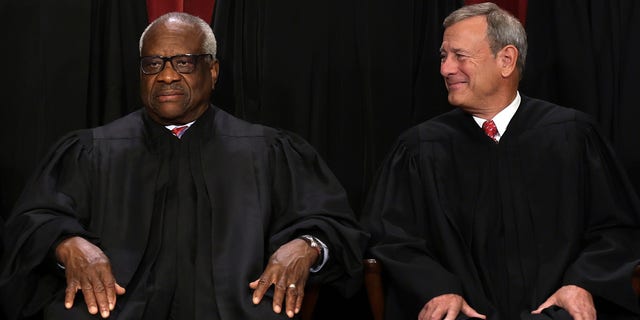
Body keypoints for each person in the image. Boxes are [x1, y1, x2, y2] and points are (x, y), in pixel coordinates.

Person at [0, 12, 368, 320]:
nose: (167, 75)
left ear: (213, 70)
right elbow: (31, 223)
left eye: (184, 62)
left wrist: (307, 246)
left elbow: (336, 227)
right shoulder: (92, 150)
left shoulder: (268, 151)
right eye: (153, 63)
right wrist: (67, 243)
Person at [360, 2, 640, 320]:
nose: (445, 69)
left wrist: (581, 284)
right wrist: (436, 287)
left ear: (506, 60)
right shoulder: (419, 148)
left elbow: (617, 229)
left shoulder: (573, 136)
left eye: (459, 56)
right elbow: (390, 237)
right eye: (443, 56)